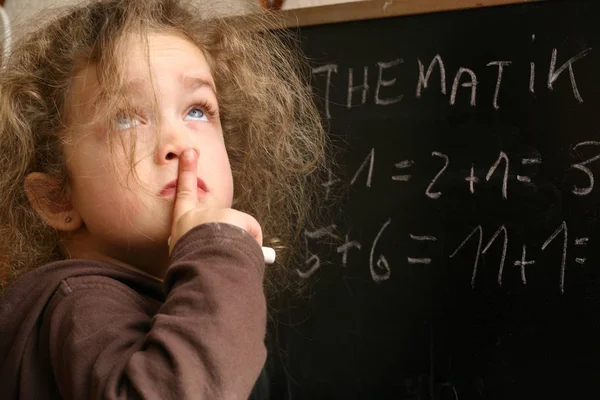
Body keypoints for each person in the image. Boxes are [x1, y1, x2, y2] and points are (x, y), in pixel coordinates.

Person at [0, 0, 329, 398]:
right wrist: (218, 255)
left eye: (197, 111)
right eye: (125, 119)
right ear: (58, 198)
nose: (179, 142)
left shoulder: (176, 292)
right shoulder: (80, 306)